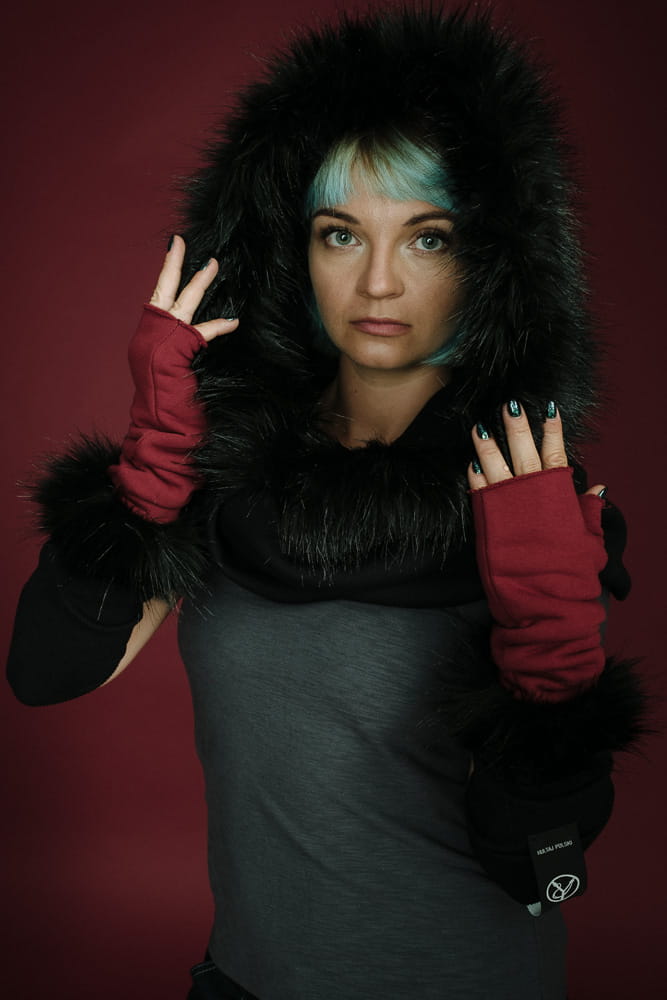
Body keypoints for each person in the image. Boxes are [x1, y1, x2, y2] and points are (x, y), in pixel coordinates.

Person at [7, 6, 645, 999]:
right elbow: (45, 673)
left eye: (428, 237)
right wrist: (150, 464)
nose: (377, 281)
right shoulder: (220, 479)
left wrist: (553, 649)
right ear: (291, 252)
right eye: (339, 233)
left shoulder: (524, 503)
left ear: (492, 262)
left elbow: (535, 863)